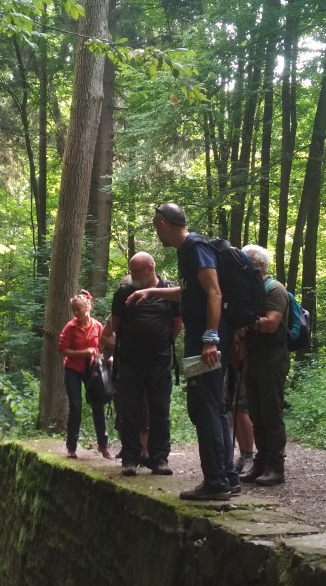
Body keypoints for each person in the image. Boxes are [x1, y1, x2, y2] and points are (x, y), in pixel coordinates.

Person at [128, 203, 240, 501]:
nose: (157, 233)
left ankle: (216, 482)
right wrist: (153, 291)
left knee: (204, 406)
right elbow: (191, 292)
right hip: (204, 339)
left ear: (163, 224)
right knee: (213, 405)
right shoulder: (188, 250)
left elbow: (214, 291)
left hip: (205, 342)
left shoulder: (195, 247)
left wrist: (210, 337)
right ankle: (228, 477)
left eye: (156, 227)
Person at [104, 252, 182, 476]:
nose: (133, 275)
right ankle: (130, 459)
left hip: (159, 362)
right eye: (131, 271)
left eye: (137, 271)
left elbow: (177, 323)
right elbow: (116, 325)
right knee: (129, 412)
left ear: (151, 268)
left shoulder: (168, 291)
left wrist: (160, 342)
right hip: (129, 362)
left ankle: (159, 459)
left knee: (160, 412)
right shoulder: (123, 292)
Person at [236, 245, 290, 487]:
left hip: (272, 358)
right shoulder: (251, 291)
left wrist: (248, 321)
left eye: (244, 262)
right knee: (256, 413)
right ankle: (261, 462)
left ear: (258, 265)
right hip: (254, 357)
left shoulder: (274, 289)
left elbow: (271, 323)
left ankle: (275, 466)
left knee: (271, 413)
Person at [58, 290, 112, 460]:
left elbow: (103, 347)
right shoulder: (70, 327)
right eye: (73, 309)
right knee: (75, 407)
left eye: (78, 309)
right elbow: (62, 350)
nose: (76, 312)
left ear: (88, 307)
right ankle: (71, 447)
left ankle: (103, 446)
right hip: (73, 370)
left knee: (98, 405)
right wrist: (83, 352)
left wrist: (108, 359)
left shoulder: (98, 326)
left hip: (92, 372)